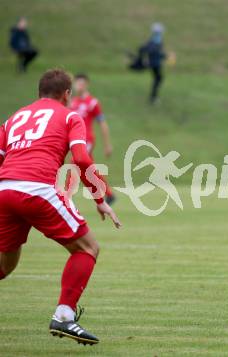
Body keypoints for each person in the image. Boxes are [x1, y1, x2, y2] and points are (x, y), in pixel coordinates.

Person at [0, 69, 121, 345]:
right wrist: (100, 199)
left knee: (5, 266)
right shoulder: (69, 115)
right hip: (37, 189)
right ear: (66, 94)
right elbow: (81, 158)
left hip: (5, 190)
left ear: (39, 92)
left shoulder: (14, 117)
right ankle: (65, 316)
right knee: (88, 248)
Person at [70, 73, 116, 205]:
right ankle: (108, 194)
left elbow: (102, 123)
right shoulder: (72, 102)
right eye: (77, 83)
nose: (79, 86)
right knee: (88, 170)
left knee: (75, 162)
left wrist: (107, 145)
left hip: (87, 140)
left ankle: (64, 196)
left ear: (86, 85)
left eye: (81, 83)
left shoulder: (93, 102)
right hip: (75, 141)